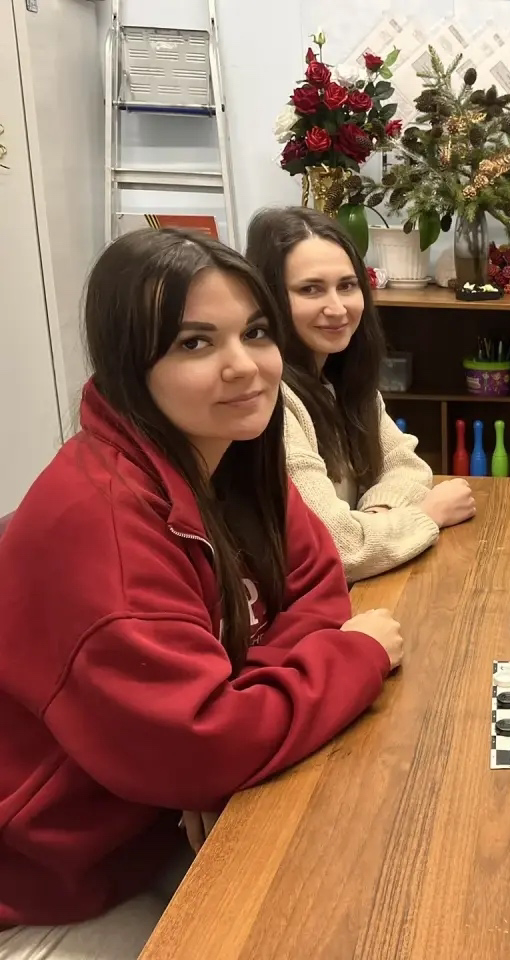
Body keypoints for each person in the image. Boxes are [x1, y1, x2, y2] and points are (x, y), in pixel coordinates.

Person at [0, 228, 402, 958]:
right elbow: (200, 743)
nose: (244, 366)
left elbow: (316, 587)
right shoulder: (102, 524)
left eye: (255, 333)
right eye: (195, 343)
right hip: (58, 883)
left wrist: (228, 732)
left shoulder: (232, 453)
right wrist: (355, 657)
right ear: (130, 363)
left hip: (161, 819)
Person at [245, 206, 475, 583]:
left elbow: (407, 465)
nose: (337, 308)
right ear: (269, 298)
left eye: (347, 286)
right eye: (310, 289)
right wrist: (427, 515)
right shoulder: (267, 399)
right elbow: (338, 548)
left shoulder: (342, 378)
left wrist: (376, 517)